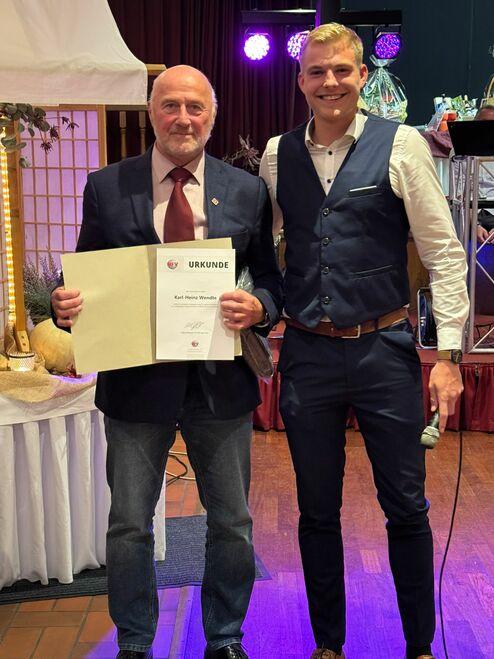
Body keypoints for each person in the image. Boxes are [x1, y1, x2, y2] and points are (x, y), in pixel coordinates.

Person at [51, 65, 283, 659]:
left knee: (231, 522)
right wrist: (63, 303)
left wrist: (259, 304)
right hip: (135, 382)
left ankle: (225, 638)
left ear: (212, 116)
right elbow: (83, 276)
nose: (183, 118)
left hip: (219, 383)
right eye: (171, 106)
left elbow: (271, 281)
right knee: (130, 524)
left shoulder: (247, 190)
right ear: (151, 112)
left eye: (195, 107)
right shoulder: (106, 186)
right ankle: (134, 642)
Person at [260, 23, 468, 659]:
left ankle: (419, 646)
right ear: (301, 81)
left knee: (405, 506)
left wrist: (449, 356)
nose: (330, 82)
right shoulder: (276, 155)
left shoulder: (401, 144)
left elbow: (444, 253)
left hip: (385, 351)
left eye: (341, 70)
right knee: (316, 510)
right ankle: (328, 646)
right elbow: (263, 252)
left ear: (361, 75)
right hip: (308, 355)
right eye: (317, 72)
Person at [473, 103, 494, 244]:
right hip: (469, 214)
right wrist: (474, 225)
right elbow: (460, 193)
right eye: (483, 123)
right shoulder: (458, 152)